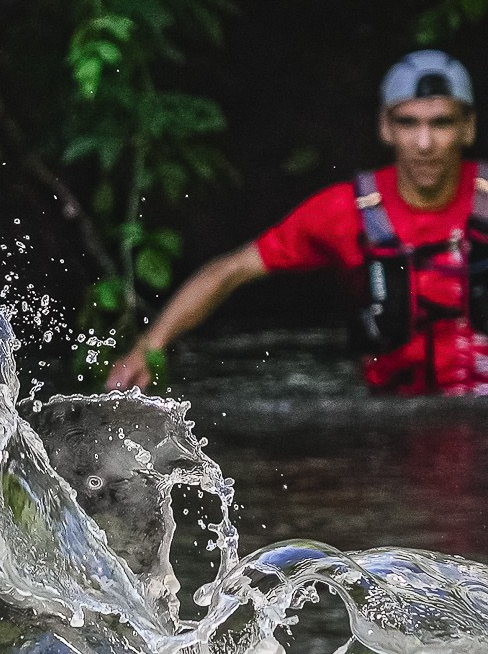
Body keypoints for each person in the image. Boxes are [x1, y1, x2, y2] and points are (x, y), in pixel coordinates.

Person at [108, 50, 488, 396]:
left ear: (468, 128)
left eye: (441, 123)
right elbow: (231, 270)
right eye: (408, 123)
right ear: (385, 128)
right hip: (395, 421)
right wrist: (147, 347)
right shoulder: (343, 211)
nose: (424, 143)